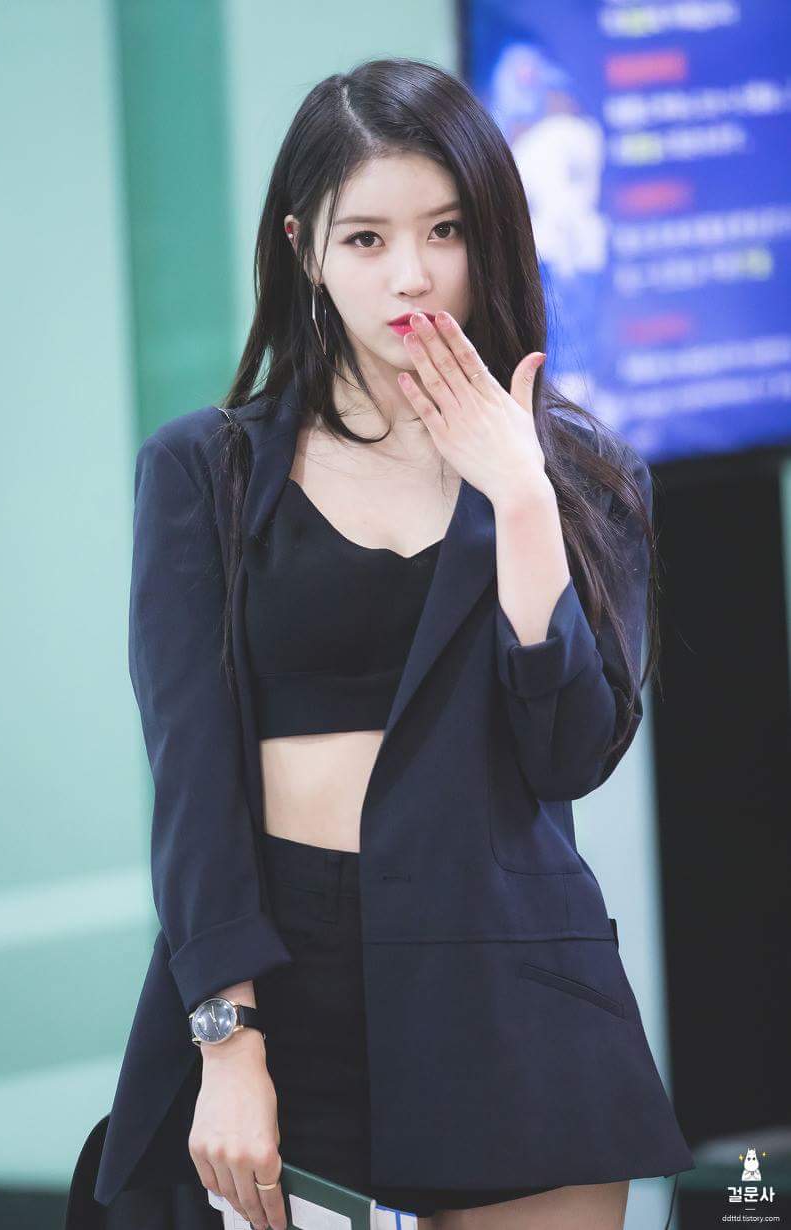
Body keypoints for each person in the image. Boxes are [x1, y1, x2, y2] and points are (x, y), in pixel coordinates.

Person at [66, 56, 694, 1230]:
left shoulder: (583, 476)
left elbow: (568, 755)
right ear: (305, 247)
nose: (413, 273)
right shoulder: (205, 472)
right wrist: (226, 1041)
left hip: (512, 992)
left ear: (489, 235)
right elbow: (192, 779)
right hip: (282, 995)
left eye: (445, 229)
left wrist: (520, 498)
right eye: (366, 238)